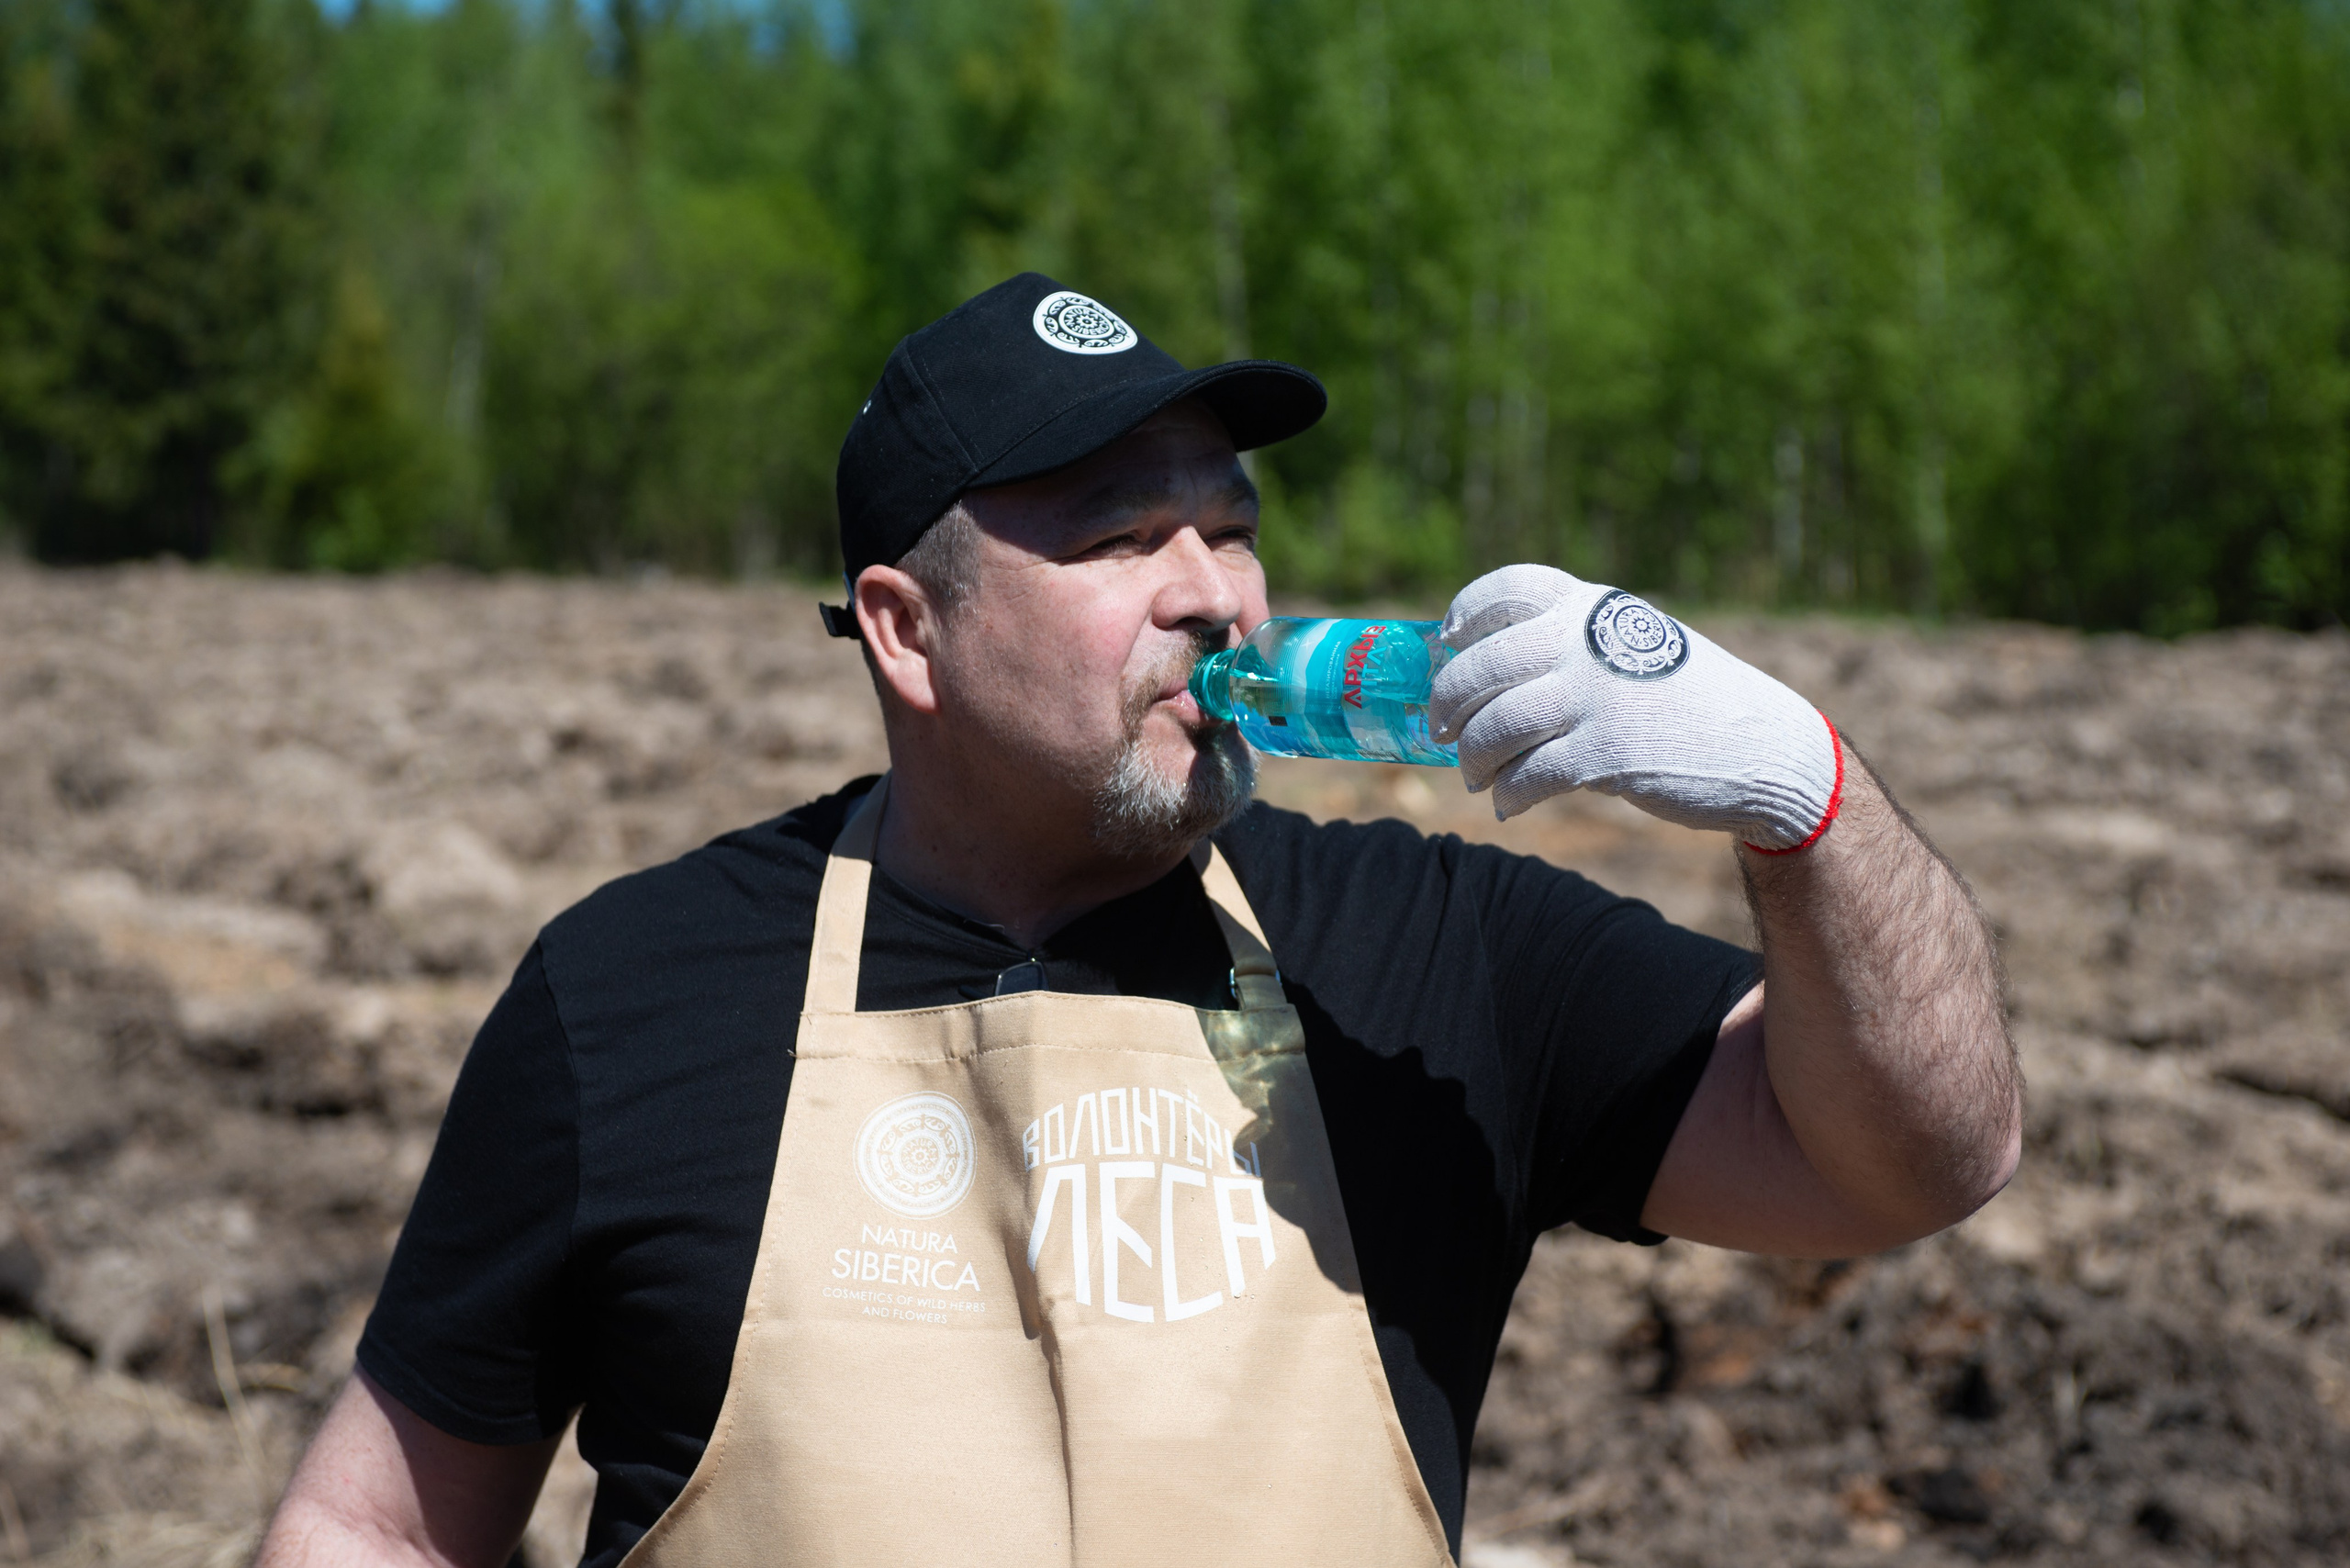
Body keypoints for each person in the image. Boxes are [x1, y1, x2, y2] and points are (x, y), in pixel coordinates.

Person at [257, 274, 2019, 1568]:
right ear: (905, 629)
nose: (1213, 591)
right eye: (1119, 538)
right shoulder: (633, 991)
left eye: (1230, 528)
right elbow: (379, 1528)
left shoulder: (1434, 961)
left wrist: (1811, 802)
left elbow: (1917, 1164)